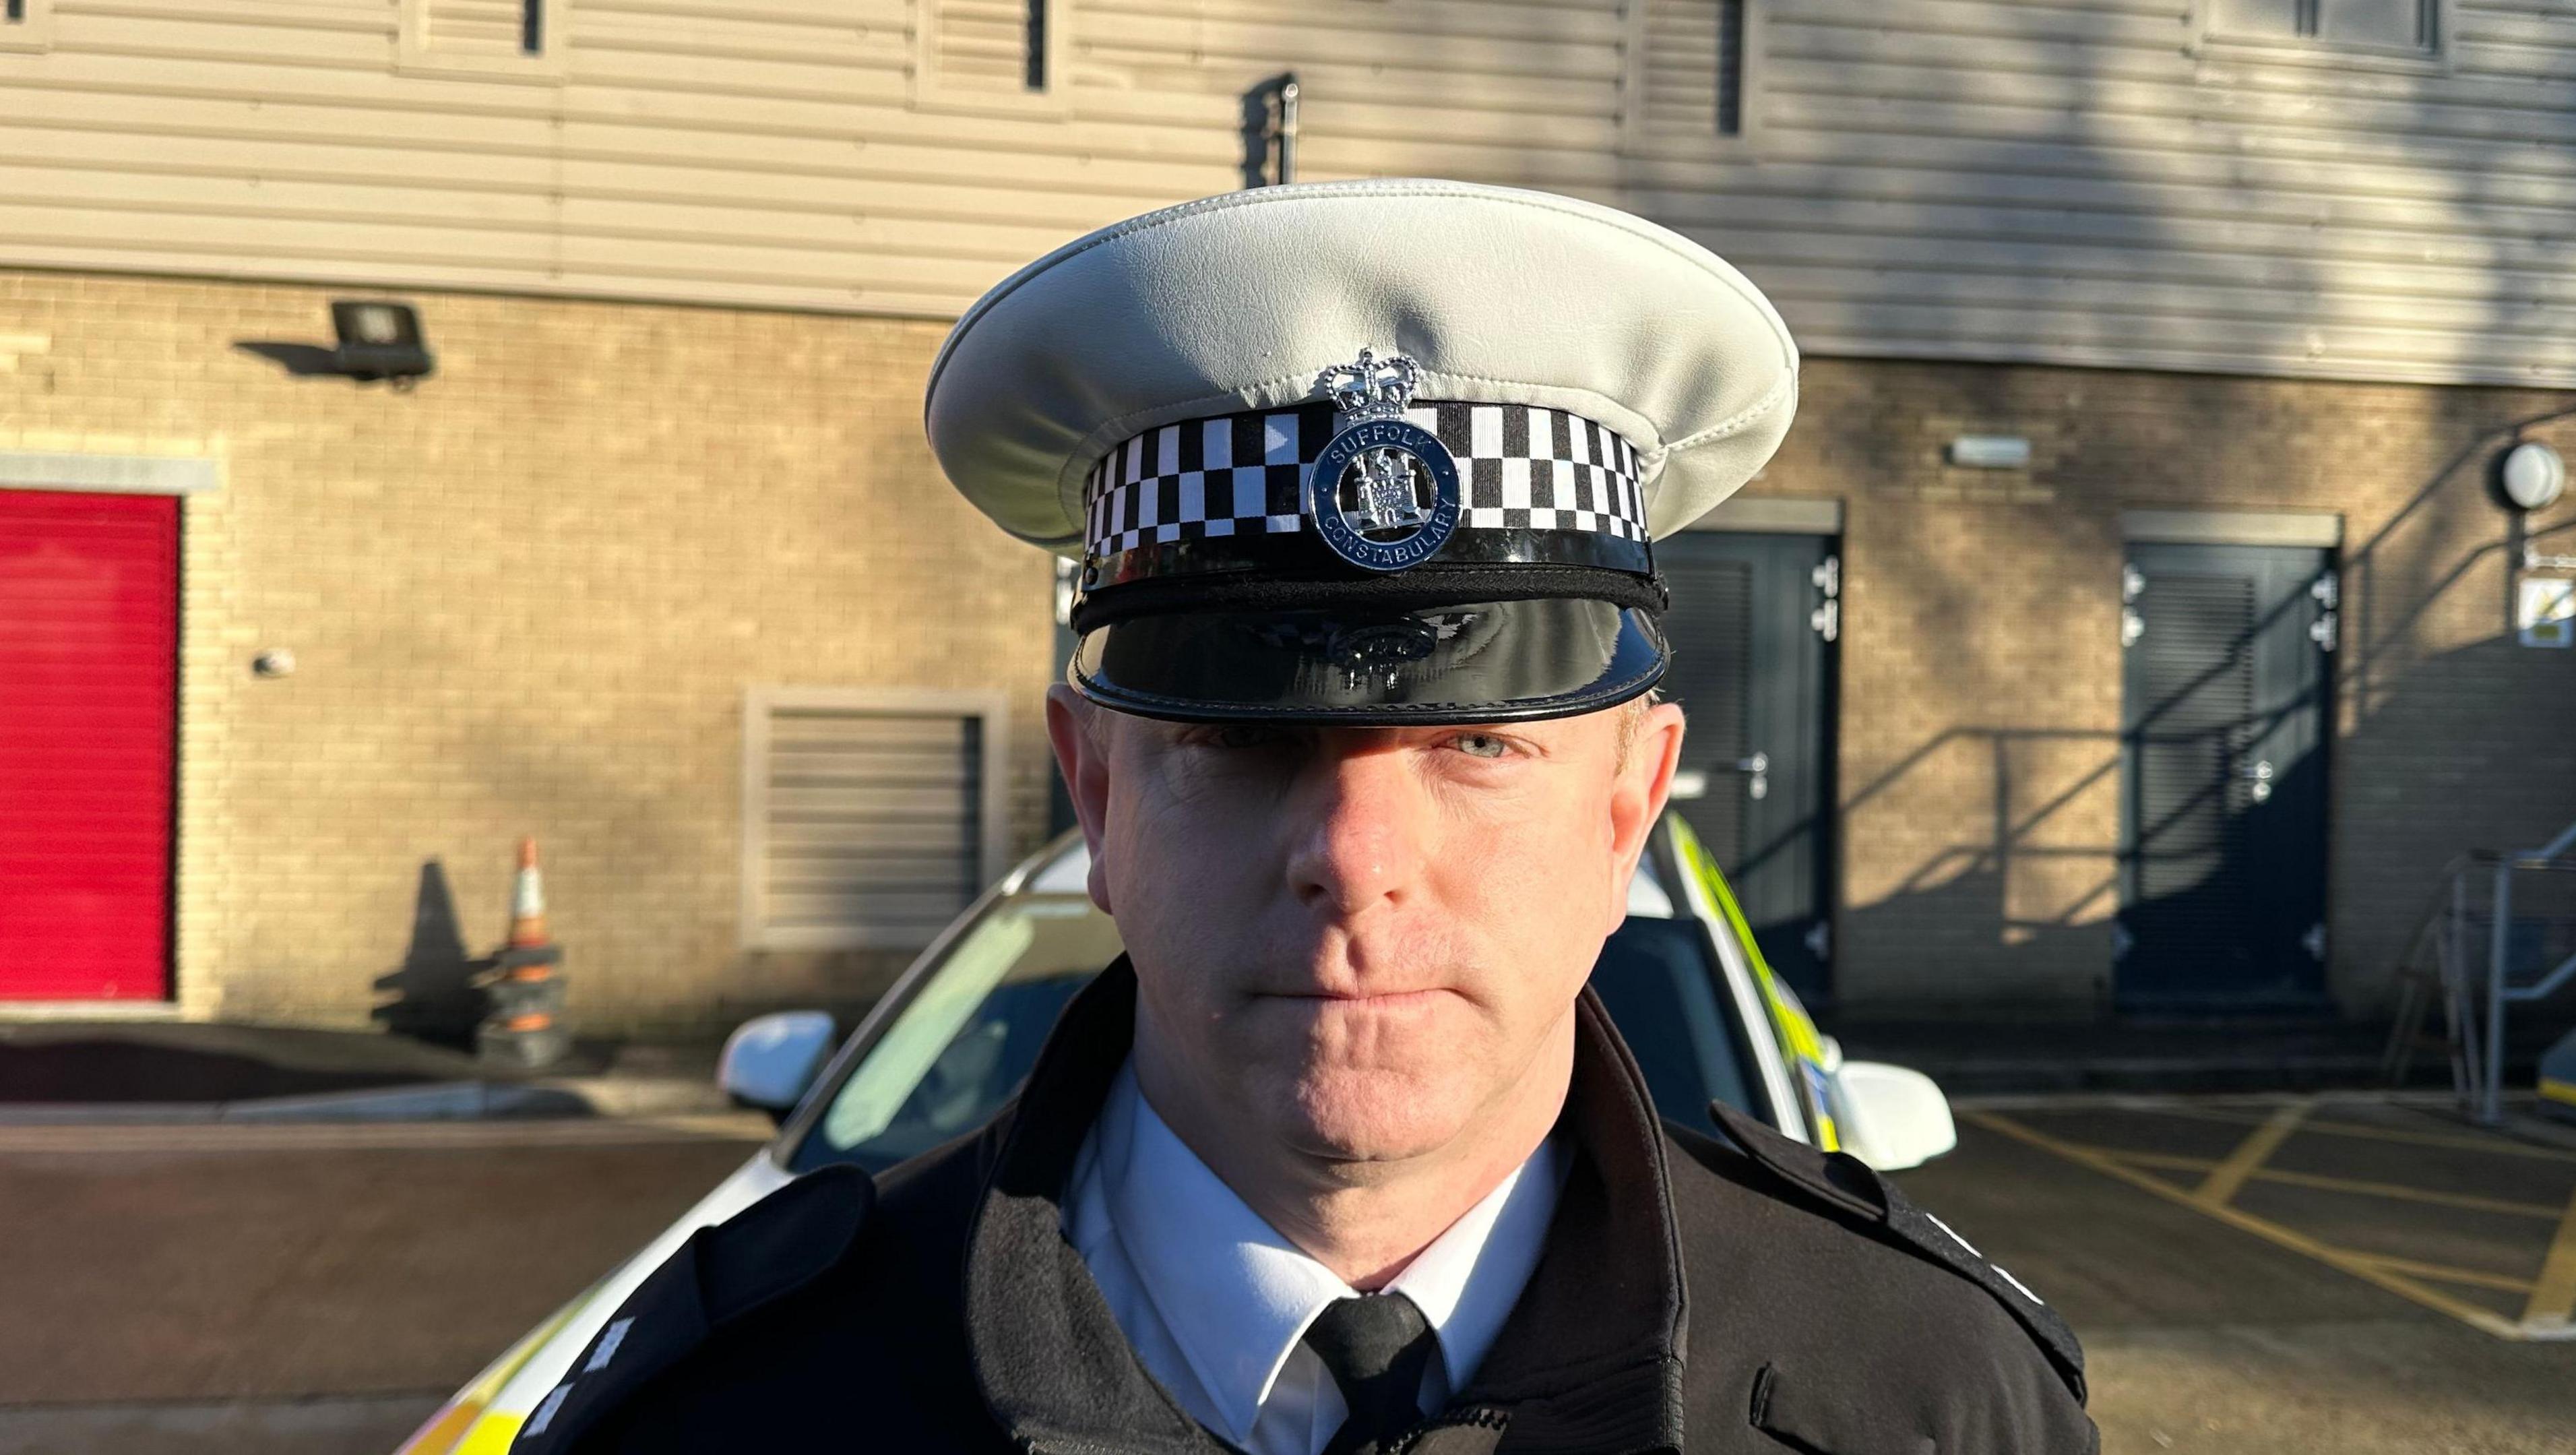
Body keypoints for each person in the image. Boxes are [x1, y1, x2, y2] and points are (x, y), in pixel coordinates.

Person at [511, 179, 2096, 1455]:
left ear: (1628, 805)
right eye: (1239, 743)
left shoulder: (1930, 1401)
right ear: (1098, 792)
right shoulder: (738, 1411)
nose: (1354, 857)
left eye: (1477, 738)